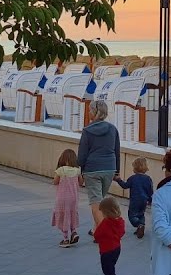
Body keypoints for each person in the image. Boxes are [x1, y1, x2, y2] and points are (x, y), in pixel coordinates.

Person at [77, 100, 121, 241]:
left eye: (90, 110)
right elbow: (117, 150)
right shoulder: (113, 129)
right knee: (100, 201)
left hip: (92, 169)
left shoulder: (87, 130)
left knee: (96, 204)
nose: (88, 112)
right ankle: (96, 230)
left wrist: (81, 169)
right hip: (109, 168)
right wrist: (116, 171)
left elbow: (82, 154)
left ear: (94, 112)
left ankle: (105, 234)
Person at [114, 157, 154, 239]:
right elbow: (150, 191)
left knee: (132, 215)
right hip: (144, 200)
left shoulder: (133, 178)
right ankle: (141, 225)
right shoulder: (148, 179)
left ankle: (139, 225)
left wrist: (118, 180)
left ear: (135, 168)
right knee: (141, 214)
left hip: (135, 200)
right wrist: (150, 200)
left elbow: (125, 186)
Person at [94, 196, 126, 275]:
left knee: (106, 268)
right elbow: (122, 232)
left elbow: (97, 234)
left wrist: (99, 239)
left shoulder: (106, 222)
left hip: (106, 249)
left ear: (106, 212)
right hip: (117, 248)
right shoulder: (120, 221)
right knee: (111, 266)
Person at [52, 149, 83, 247]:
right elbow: (81, 183)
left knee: (63, 216)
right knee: (72, 214)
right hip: (73, 199)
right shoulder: (77, 171)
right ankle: (74, 232)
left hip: (62, 198)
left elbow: (55, 181)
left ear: (63, 159)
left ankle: (65, 239)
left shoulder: (61, 170)